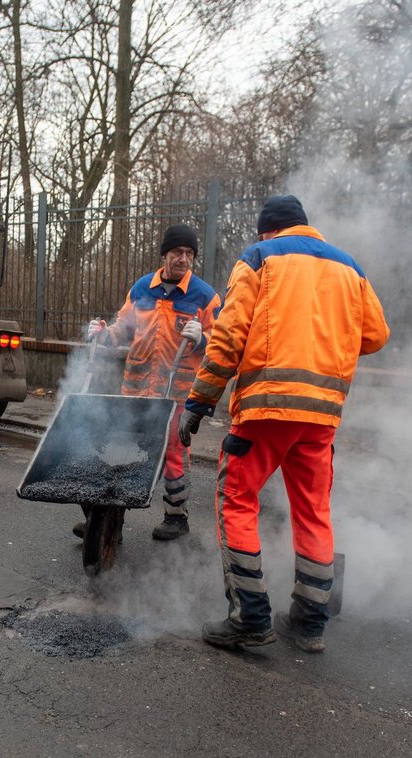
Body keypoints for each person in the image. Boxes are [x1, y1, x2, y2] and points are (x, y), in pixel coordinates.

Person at [179, 195, 390, 654]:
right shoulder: (349, 267)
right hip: (321, 416)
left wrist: (200, 400)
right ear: (303, 226)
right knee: (312, 510)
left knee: (236, 499)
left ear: (266, 231)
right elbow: (375, 334)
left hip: (266, 408)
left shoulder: (259, 258)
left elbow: (229, 337)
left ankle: (250, 617)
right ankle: (310, 622)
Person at [81, 224, 221, 541]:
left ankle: (176, 517)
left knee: (174, 454)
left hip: (177, 397)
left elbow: (225, 343)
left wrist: (203, 340)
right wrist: (103, 334)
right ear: (164, 255)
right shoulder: (142, 289)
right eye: (177, 253)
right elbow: (123, 329)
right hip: (135, 390)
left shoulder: (205, 296)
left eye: (189, 254)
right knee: (122, 449)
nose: (183, 259)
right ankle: (107, 518)